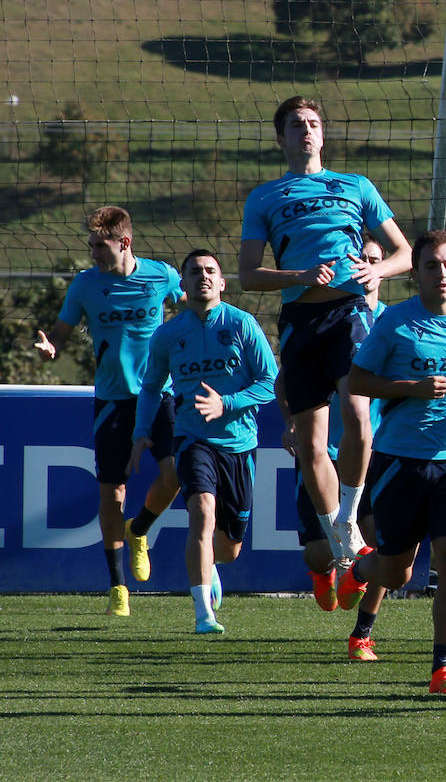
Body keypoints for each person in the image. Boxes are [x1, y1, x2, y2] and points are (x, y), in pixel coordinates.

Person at [239, 96, 411, 567]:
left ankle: (349, 518)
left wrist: (379, 274)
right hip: (300, 323)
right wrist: (296, 276)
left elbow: (405, 252)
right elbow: (249, 274)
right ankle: (340, 535)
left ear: (323, 134)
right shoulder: (266, 197)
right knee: (311, 445)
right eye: (296, 125)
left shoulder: (355, 185)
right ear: (282, 138)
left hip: (349, 314)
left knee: (358, 418)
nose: (307, 131)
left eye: (313, 123)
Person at [337, 229, 446, 695]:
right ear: (416, 273)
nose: (442, 273)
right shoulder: (395, 324)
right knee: (397, 572)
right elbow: (358, 380)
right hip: (399, 462)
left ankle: (443, 669)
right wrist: (411, 388)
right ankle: (360, 570)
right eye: (432, 265)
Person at [33, 206, 183, 616]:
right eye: (92, 246)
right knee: (112, 492)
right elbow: (61, 333)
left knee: (174, 474)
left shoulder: (162, 276)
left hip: (159, 394)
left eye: (101, 246)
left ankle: (140, 530)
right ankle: (118, 588)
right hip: (111, 401)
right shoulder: (84, 285)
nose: (94, 254)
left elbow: (189, 309)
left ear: (125, 243)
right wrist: (52, 347)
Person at [129, 250, 278, 634]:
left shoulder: (242, 324)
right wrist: (141, 431)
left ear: (223, 282)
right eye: (195, 272)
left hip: (239, 444)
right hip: (192, 439)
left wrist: (226, 403)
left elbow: (269, 382)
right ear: (184, 283)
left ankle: (211, 565)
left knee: (229, 548)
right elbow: (150, 388)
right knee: (201, 514)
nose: (204, 277)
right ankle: (202, 613)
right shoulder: (167, 335)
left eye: (211, 271)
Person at [281, 234, 390, 661]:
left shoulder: (396, 324)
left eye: (372, 260)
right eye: (358, 258)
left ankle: (361, 634)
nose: (364, 265)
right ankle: (322, 569)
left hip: (381, 451)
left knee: (385, 543)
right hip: (325, 453)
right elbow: (284, 380)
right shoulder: (324, 318)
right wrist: (291, 422)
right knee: (318, 549)